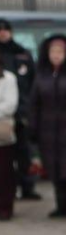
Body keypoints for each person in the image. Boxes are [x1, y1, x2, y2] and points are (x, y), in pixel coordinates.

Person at [29, 35, 66, 219]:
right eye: (53, 51)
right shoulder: (41, 76)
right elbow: (34, 104)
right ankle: (60, 205)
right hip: (48, 131)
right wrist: (33, 128)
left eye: (60, 52)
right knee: (53, 169)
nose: (56, 55)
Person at [0, 19, 38, 201]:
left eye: (5, 30)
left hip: (22, 111)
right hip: (2, 115)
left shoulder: (21, 53)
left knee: (24, 153)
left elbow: (33, 82)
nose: (2, 33)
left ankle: (27, 187)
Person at [0, 60, 18, 221]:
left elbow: (10, 104)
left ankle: (5, 206)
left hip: (2, 131)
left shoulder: (8, 78)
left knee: (5, 171)